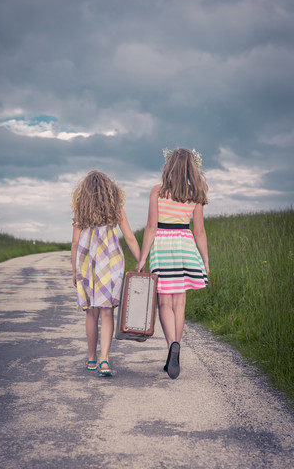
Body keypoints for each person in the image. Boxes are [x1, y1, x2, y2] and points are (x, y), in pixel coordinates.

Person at [136, 147, 209, 379]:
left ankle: (171, 348)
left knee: (164, 304)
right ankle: (176, 348)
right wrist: (205, 261)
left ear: (169, 166)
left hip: (163, 248)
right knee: (180, 305)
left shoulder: (157, 191)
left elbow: (151, 227)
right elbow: (199, 231)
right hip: (185, 247)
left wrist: (142, 258)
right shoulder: (196, 194)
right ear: (191, 167)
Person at [71, 170, 140, 377]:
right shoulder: (116, 209)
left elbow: (75, 242)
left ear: (84, 192)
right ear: (110, 191)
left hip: (87, 264)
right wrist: (140, 260)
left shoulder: (81, 210)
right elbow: (128, 236)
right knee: (107, 311)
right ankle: (104, 361)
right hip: (110, 263)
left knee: (91, 312)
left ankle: (91, 359)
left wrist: (74, 270)